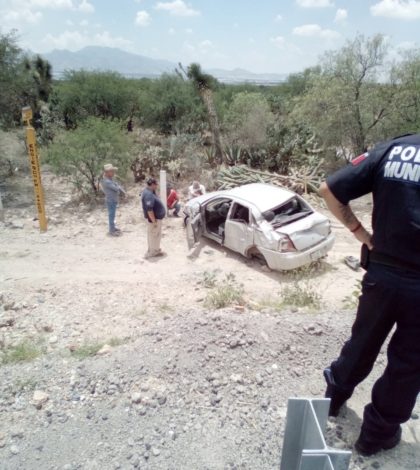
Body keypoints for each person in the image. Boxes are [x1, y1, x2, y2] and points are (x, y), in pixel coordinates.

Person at [319, 134, 420, 456]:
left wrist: (361, 234)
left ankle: (331, 402)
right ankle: (374, 437)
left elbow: (329, 189)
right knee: (408, 365)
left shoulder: (395, 149)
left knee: (362, 341)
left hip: (383, 272)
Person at [141, 177, 166, 258]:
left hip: (155, 218)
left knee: (153, 235)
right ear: (152, 184)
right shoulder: (148, 194)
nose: (157, 186)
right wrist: (154, 221)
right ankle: (153, 252)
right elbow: (149, 210)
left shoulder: (150, 191)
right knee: (154, 235)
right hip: (153, 219)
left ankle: (154, 249)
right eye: (155, 185)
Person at [100, 163, 126, 237]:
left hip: (113, 200)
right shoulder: (107, 181)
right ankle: (111, 231)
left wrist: (119, 187)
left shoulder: (110, 180)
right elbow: (116, 188)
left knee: (112, 215)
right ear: (107, 172)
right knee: (111, 215)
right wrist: (119, 187)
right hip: (110, 200)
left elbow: (117, 186)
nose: (113, 173)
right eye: (111, 171)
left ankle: (113, 228)